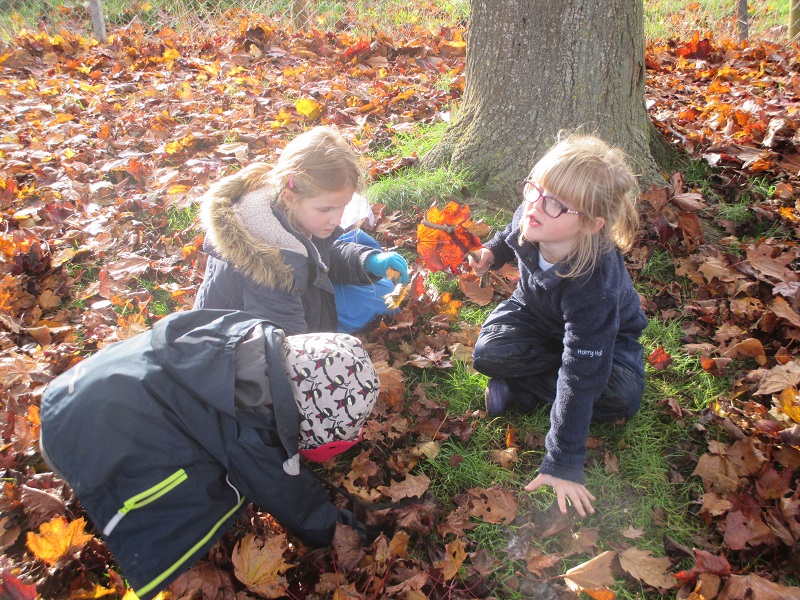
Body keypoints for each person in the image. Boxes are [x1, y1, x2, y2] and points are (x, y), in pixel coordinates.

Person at [39, 309, 380, 600]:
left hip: (66, 398)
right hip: (83, 449)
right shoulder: (248, 423)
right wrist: (338, 529)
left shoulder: (240, 336)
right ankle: (113, 500)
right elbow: (288, 493)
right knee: (221, 482)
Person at [468, 134, 647, 519]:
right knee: (488, 353)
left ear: (590, 223)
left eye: (556, 204)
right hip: (534, 314)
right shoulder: (532, 213)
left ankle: (522, 391)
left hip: (607, 341)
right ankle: (537, 380)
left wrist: (564, 460)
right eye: (534, 188)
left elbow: (582, 377)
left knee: (620, 396)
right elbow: (510, 234)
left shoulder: (593, 284)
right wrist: (491, 254)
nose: (535, 205)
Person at [193, 126, 409, 335]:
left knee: (380, 288)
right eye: (326, 209)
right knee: (370, 304)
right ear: (290, 198)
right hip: (243, 341)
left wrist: (369, 262)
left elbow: (327, 253)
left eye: (343, 206)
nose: (337, 219)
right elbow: (286, 343)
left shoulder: (296, 213)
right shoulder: (270, 264)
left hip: (297, 298)